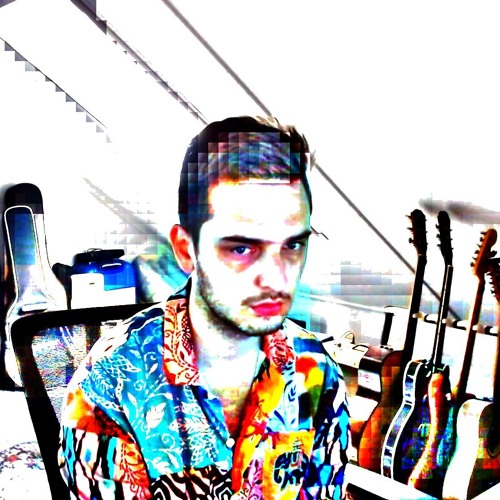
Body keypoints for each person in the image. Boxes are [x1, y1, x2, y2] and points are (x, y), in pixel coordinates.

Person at [58, 115, 351, 499]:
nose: (277, 279)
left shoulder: (317, 372)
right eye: (241, 248)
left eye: (293, 245)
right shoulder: (109, 387)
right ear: (186, 250)